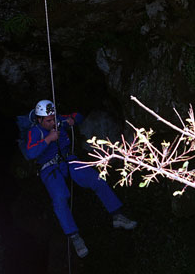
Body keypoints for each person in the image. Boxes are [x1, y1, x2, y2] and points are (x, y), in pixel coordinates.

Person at [20, 100, 137, 258]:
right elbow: (30, 153)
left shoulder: (59, 120)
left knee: (96, 179)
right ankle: (75, 238)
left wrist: (72, 120)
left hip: (69, 160)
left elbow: (79, 116)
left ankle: (117, 216)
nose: (52, 121)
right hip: (49, 168)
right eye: (48, 120)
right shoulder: (35, 132)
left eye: (53, 117)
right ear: (40, 119)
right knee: (60, 198)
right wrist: (49, 139)